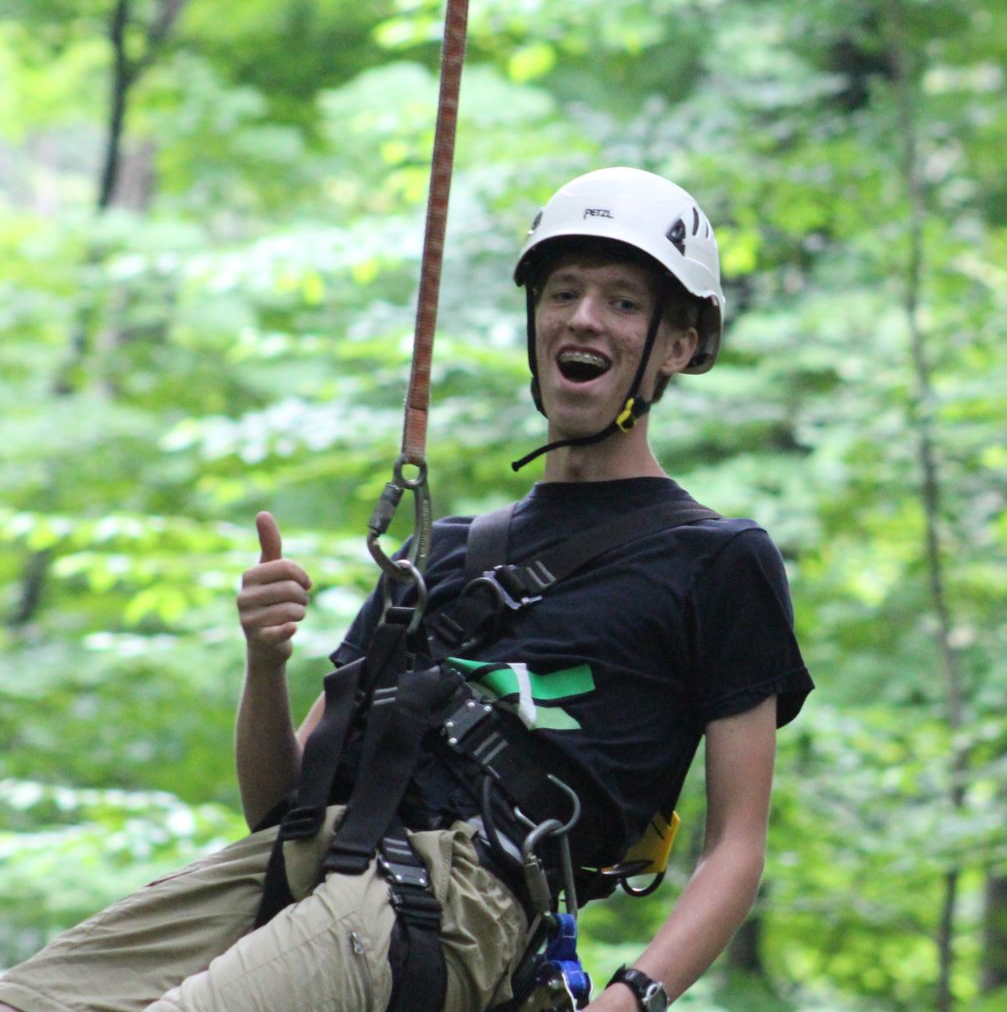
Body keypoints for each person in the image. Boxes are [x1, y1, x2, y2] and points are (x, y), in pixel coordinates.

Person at [0, 167, 813, 1012]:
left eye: (622, 303)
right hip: (319, 857)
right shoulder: (449, 553)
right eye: (562, 291)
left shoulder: (713, 560)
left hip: (463, 897)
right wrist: (265, 662)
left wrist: (632, 995)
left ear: (676, 347)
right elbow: (280, 804)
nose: (580, 317)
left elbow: (734, 847)